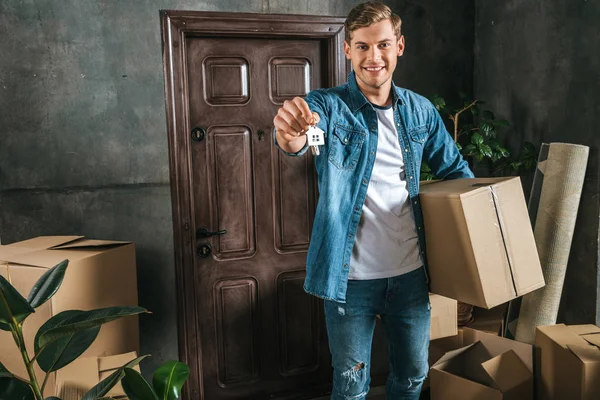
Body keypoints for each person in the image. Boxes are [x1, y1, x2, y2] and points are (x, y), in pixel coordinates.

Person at [273, 2, 473, 399]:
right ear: (347, 50)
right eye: (362, 47)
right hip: (350, 281)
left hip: (411, 277)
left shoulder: (420, 112)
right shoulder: (329, 105)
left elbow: (457, 174)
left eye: (382, 45)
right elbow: (296, 137)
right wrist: (291, 130)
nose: (373, 57)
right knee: (350, 388)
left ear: (400, 46)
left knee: (413, 378)